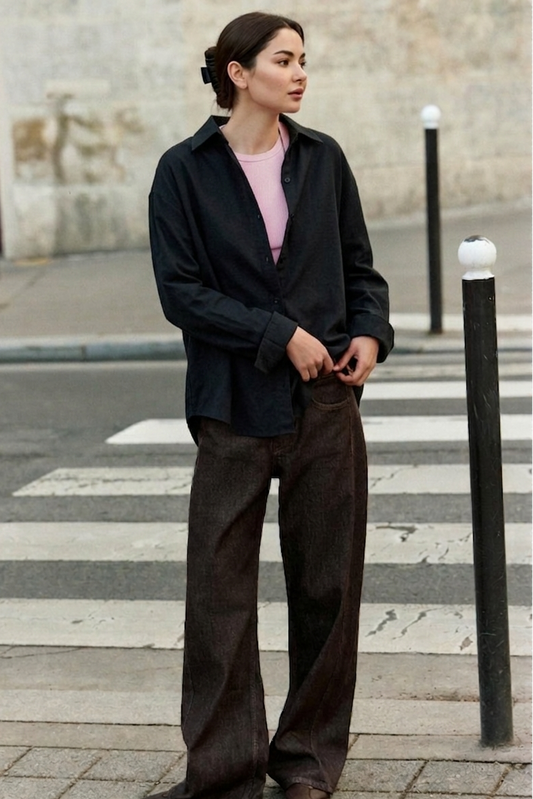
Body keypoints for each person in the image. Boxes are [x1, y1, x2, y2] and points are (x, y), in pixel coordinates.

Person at [148, 11, 394, 799]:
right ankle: (224, 772)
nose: (299, 73)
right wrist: (275, 333)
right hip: (230, 406)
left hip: (325, 402)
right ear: (237, 73)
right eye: (283, 60)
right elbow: (180, 293)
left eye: (302, 60)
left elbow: (361, 268)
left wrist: (370, 334)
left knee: (327, 588)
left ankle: (307, 760)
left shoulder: (322, 161)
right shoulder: (184, 171)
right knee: (219, 596)